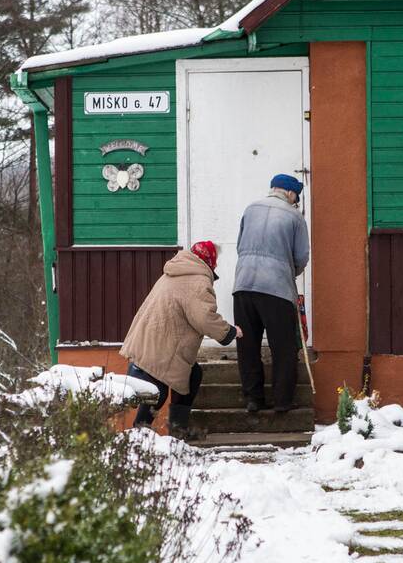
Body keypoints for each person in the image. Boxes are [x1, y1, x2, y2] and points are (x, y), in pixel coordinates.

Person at [120, 241, 242, 439]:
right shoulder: (197, 282)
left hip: (150, 341)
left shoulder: (174, 272)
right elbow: (204, 318)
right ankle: (142, 434)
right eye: (215, 261)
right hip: (162, 347)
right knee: (157, 391)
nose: (217, 266)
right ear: (208, 261)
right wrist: (229, 332)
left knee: (190, 376)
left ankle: (173, 432)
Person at [233, 174, 310, 414]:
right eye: (296, 196)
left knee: (247, 345)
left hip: (243, 285)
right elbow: (301, 257)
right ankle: (282, 401)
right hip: (276, 288)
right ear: (289, 192)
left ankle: (253, 399)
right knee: (283, 347)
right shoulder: (295, 217)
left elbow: (239, 246)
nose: (296, 201)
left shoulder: (250, 209)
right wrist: (288, 272)